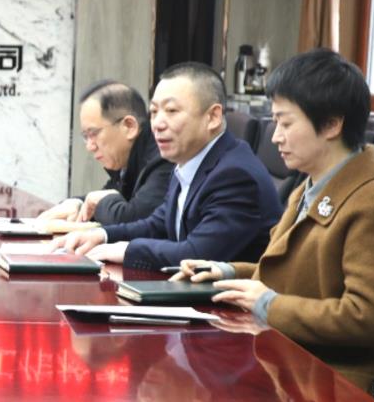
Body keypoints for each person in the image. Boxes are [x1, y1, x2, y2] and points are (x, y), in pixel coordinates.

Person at [172, 49, 374, 395]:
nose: (275, 136)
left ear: (332, 124)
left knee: (209, 392)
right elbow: (296, 275)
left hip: (353, 385)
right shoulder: (310, 186)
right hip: (305, 361)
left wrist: (269, 304)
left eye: (286, 123)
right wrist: (228, 271)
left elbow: (366, 319)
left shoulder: (373, 204)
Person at [54, 63, 280, 270]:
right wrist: (102, 235)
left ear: (213, 117)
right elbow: (158, 224)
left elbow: (198, 254)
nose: (158, 124)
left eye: (171, 111)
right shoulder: (189, 161)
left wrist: (127, 250)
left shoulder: (235, 175)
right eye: (154, 112)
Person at [41, 80, 171, 226]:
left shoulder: (163, 157)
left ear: (129, 126)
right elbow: (108, 200)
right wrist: (76, 203)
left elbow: (135, 220)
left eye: (93, 133)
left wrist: (98, 204)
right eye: (86, 136)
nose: (90, 146)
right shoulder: (127, 162)